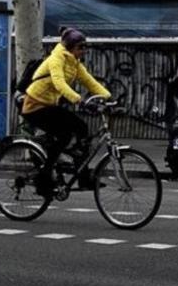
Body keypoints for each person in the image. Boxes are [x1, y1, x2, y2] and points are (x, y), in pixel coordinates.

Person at [21, 28, 111, 191]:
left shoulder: (75, 63)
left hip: (49, 105)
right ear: (70, 48)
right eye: (80, 47)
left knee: (82, 128)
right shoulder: (57, 58)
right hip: (34, 106)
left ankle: (82, 176)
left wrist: (109, 98)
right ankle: (44, 177)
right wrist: (80, 100)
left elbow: (90, 82)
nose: (83, 51)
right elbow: (59, 83)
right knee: (65, 135)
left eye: (85, 47)